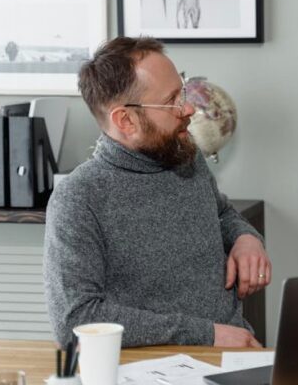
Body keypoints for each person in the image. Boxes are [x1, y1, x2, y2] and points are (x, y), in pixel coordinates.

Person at [44, 36, 270, 348]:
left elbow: (221, 212)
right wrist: (208, 335)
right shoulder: (79, 198)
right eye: (172, 100)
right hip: (158, 368)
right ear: (126, 120)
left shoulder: (185, 156)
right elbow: (76, 321)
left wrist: (246, 238)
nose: (189, 107)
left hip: (232, 355)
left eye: (184, 90)